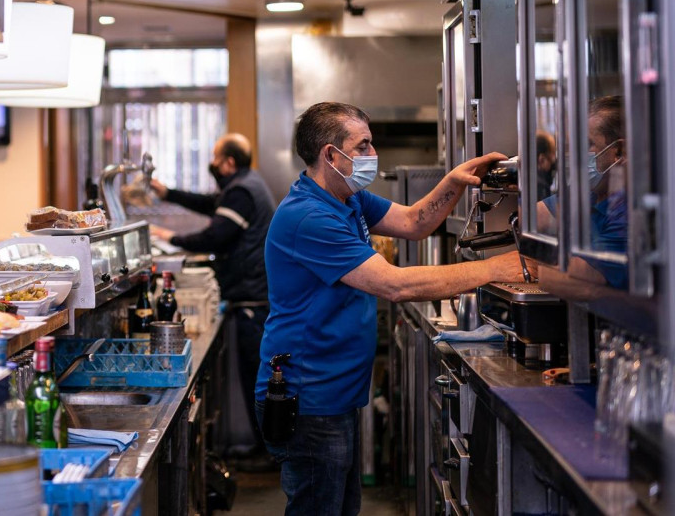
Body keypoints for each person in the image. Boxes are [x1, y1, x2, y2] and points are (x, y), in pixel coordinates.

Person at [256, 102, 528, 516]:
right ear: (331, 155)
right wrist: (494, 268)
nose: (371, 153)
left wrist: (454, 181)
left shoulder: (348, 199)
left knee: (341, 507)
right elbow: (394, 284)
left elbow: (414, 221)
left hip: (335, 392)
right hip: (308, 397)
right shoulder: (308, 217)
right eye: (362, 145)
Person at [149, 133, 276, 456]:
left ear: (229, 163)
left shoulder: (243, 192)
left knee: (257, 382)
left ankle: (267, 454)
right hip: (252, 298)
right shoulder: (242, 185)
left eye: (216, 159)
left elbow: (216, 235)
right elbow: (210, 203)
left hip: (254, 301)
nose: (212, 165)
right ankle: (267, 451)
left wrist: (171, 237)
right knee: (256, 380)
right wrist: (168, 193)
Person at [537, 96, 627, 288]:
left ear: (619, 152)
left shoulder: (627, 209)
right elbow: (531, 219)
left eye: (586, 145)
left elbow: (579, 278)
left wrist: (533, 259)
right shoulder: (589, 194)